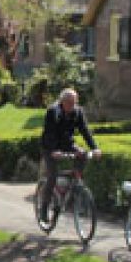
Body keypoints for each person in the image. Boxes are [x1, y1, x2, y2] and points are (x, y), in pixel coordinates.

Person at [38, 88, 100, 219]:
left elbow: (85, 131)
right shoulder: (53, 112)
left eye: (74, 102)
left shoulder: (77, 112)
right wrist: (54, 150)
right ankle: (44, 207)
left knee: (82, 154)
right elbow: (49, 133)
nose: (72, 106)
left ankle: (75, 183)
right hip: (50, 147)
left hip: (67, 144)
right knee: (52, 176)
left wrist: (95, 148)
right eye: (70, 103)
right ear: (62, 102)